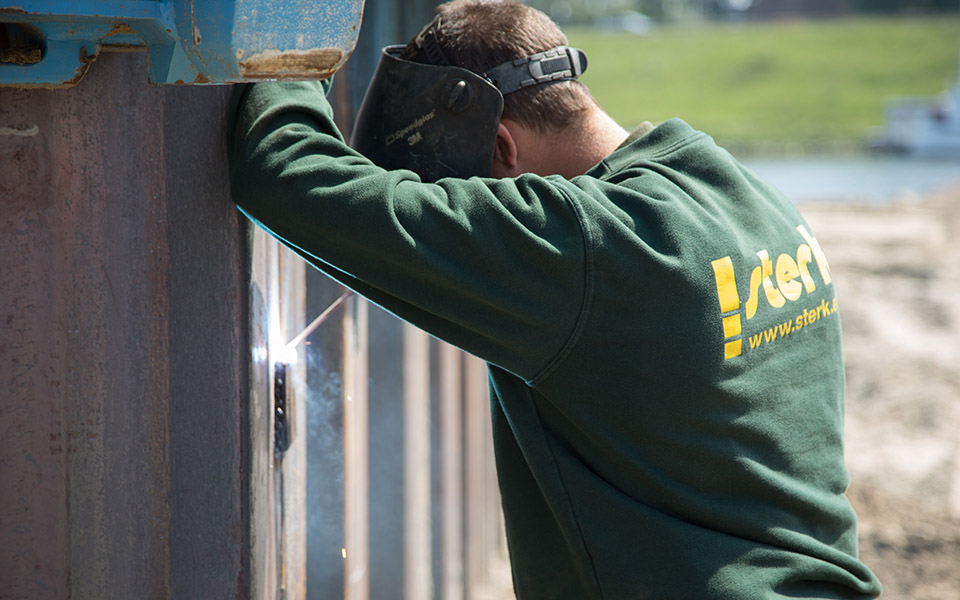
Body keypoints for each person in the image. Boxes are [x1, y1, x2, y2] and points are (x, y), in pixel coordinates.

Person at [228, 1, 882, 597]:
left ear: (503, 149)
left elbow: (284, 173)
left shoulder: (588, 249)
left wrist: (291, 33)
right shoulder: (748, 201)